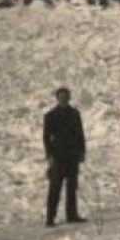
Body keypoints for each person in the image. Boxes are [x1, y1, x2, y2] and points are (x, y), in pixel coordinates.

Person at [42, 87, 87, 226]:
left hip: (72, 155)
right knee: (55, 188)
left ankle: (71, 214)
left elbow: (80, 134)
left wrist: (82, 151)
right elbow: (46, 137)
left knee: (72, 187)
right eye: (61, 97)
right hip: (58, 156)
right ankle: (50, 217)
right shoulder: (50, 115)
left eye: (65, 97)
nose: (63, 99)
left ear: (69, 98)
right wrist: (49, 155)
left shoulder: (74, 114)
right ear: (57, 98)